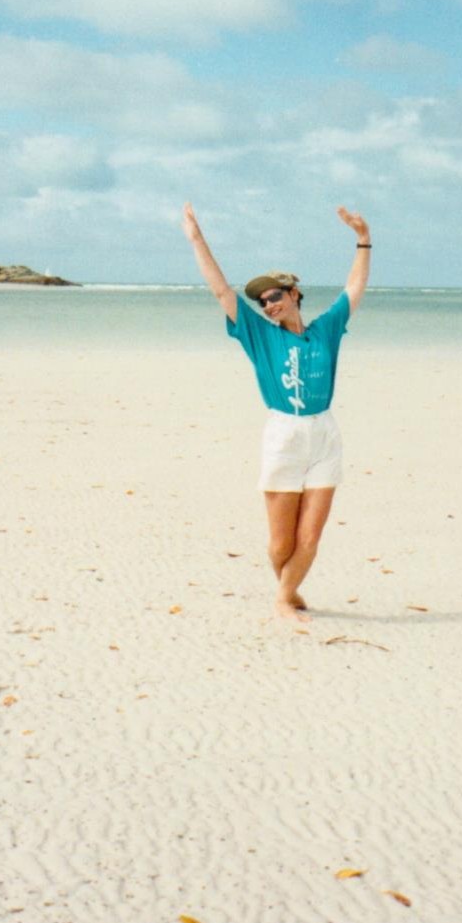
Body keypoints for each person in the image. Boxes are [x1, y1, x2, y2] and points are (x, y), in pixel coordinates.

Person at [181, 201, 371, 622]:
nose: (268, 305)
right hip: (284, 435)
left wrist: (362, 239)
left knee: (311, 535)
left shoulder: (326, 329)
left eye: (275, 296)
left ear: (294, 294)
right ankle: (289, 587)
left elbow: (354, 289)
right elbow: (222, 292)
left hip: (323, 434)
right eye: (263, 301)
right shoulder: (259, 335)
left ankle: (284, 598)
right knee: (280, 544)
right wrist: (197, 238)